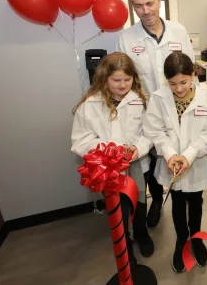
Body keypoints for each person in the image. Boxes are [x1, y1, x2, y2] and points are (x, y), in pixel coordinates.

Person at [117, 0, 195, 228]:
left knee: (180, 154)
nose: (145, 11)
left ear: (159, 0)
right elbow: (126, 79)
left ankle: (184, 202)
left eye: (149, 3)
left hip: (179, 107)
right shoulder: (126, 38)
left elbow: (190, 71)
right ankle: (157, 200)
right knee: (149, 160)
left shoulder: (178, 31)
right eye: (138, 6)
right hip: (147, 112)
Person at [71, 52, 155, 260]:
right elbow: (80, 141)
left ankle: (141, 233)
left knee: (140, 202)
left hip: (136, 165)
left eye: (127, 79)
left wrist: (138, 148)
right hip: (108, 170)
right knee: (119, 209)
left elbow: (151, 132)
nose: (122, 85)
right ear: (103, 78)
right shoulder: (90, 105)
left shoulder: (141, 101)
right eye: (116, 80)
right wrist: (110, 150)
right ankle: (124, 242)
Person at [143, 52, 207, 273]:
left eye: (183, 82)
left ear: (193, 74)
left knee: (195, 202)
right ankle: (181, 240)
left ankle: (196, 238)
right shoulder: (159, 98)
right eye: (172, 83)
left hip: (196, 162)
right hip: (171, 161)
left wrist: (189, 155)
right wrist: (171, 154)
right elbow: (155, 130)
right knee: (176, 200)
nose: (179, 89)